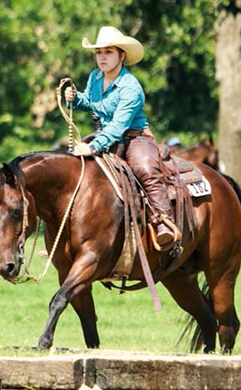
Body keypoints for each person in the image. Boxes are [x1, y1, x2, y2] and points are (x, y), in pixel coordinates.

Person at [65, 26, 175, 249]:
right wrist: (76, 99)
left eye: (108, 52)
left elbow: (118, 126)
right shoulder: (95, 77)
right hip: (105, 135)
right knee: (69, 165)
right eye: (99, 53)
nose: (102, 58)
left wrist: (94, 146)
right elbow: (92, 102)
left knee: (145, 169)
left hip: (134, 137)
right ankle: (67, 232)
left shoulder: (131, 87)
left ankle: (163, 222)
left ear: (121, 55)